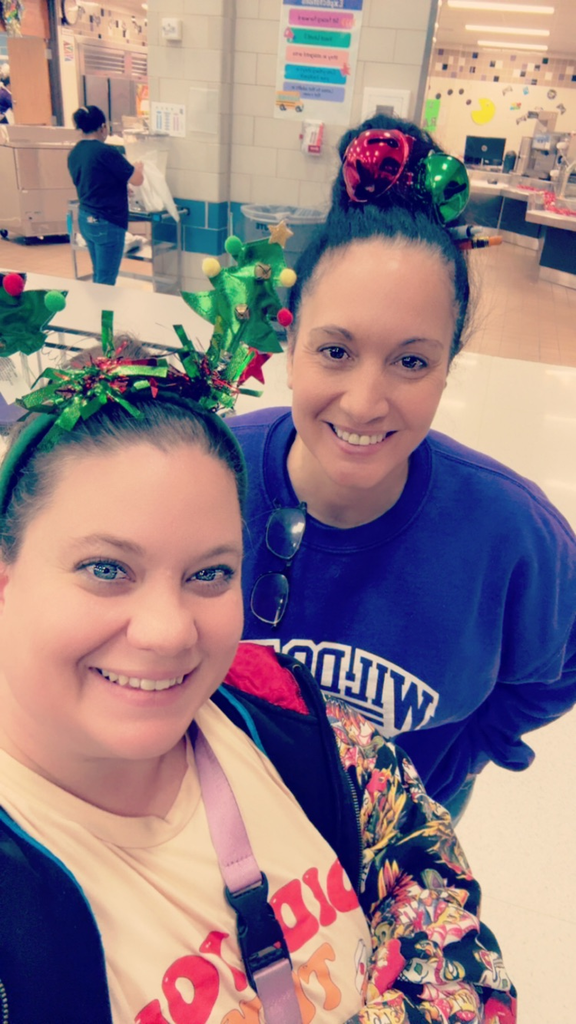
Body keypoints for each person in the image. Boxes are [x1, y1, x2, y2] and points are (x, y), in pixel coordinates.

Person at [0, 323, 516, 1022]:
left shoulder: (290, 718)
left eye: (209, 573)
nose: (167, 631)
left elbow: (423, 877)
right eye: (106, 569)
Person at [229, 113, 576, 821]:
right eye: (335, 351)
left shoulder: (511, 534)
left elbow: (556, 669)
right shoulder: (207, 476)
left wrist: (464, 751)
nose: (364, 403)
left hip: (398, 854)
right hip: (218, 830)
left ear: (449, 368)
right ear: (291, 345)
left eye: (411, 361)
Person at [67, 105, 144, 286]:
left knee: (99, 274)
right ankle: (103, 314)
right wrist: (139, 168)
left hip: (86, 218)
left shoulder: (75, 153)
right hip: (107, 221)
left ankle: (97, 312)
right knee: (106, 281)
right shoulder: (106, 152)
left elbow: (90, 181)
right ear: (103, 127)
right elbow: (137, 179)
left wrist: (118, 187)